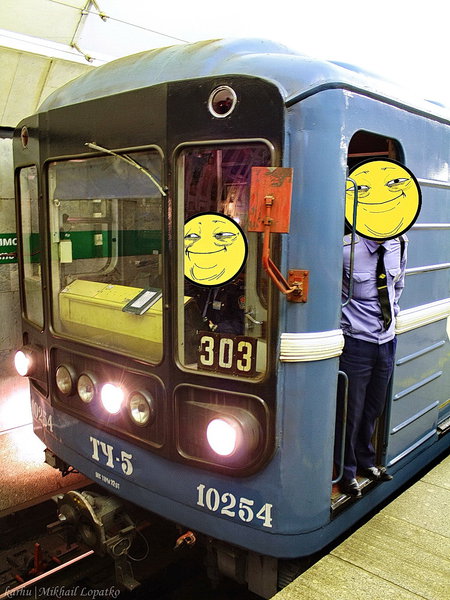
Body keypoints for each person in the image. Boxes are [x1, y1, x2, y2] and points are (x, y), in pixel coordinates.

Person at [335, 233, 407, 498]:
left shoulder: (400, 243)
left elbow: (398, 286)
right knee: (350, 412)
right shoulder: (345, 249)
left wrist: (392, 318)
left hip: (386, 340)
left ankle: (365, 461)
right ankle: (347, 472)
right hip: (356, 342)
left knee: (374, 407)